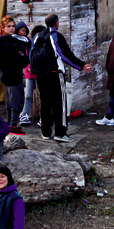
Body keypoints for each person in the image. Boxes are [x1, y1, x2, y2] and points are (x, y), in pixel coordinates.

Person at [29, 13, 93, 143]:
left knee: (44, 103)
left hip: (40, 75)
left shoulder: (37, 37)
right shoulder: (55, 36)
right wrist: (81, 66)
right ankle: (60, 132)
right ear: (56, 23)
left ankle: (46, 132)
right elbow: (65, 55)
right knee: (60, 104)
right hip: (54, 74)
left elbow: (31, 54)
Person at [0, 15, 28, 135]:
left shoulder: (5, 40)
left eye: (13, 26)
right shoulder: (6, 42)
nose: (12, 29)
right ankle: (12, 125)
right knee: (17, 100)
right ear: (3, 28)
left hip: (8, 74)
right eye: (9, 26)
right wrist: (23, 57)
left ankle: (11, 124)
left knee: (11, 101)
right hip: (12, 74)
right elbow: (17, 60)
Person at [16, 22, 36, 126]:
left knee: (42, 96)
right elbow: (24, 59)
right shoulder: (18, 43)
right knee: (28, 95)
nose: (23, 33)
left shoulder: (30, 43)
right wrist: (27, 68)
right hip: (29, 73)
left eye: (25, 31)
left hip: (38, 73)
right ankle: (24, 115)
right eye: (21, 30)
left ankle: (43, 117)